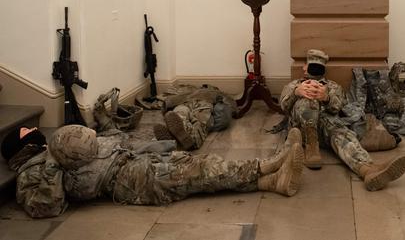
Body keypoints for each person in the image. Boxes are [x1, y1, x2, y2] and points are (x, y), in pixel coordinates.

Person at [1, 124, 305, 218]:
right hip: (129, 180)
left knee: (199, 171)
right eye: (29, 130)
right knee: (200, 171)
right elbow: (46, 207)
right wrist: (53, 164)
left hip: (131, 161)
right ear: (23, 145)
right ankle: (267, 166)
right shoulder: (33, 172)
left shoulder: (49, 151)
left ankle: (272, 181)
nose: (36, 128)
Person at [280, 49, 405, 190]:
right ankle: (312, 149)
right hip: (302, 130)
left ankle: (368, 170)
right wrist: (297, 92)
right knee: (308, 102)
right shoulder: (294, 84)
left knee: (341, 132)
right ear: (304, 68)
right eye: (311, 65)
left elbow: (339, 106)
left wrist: (326, 97)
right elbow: (284, 106)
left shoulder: (332, 86)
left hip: (326, 128)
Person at [146, 84, 235, 150]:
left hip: (196, 105)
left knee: (189, 117)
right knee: (180, 117)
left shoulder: (216, 93)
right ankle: (186, 139)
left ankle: (174, 140)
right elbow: (232, 105)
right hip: (194, 105)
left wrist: (165, 107)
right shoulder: (190, 91)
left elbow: (230, 103)